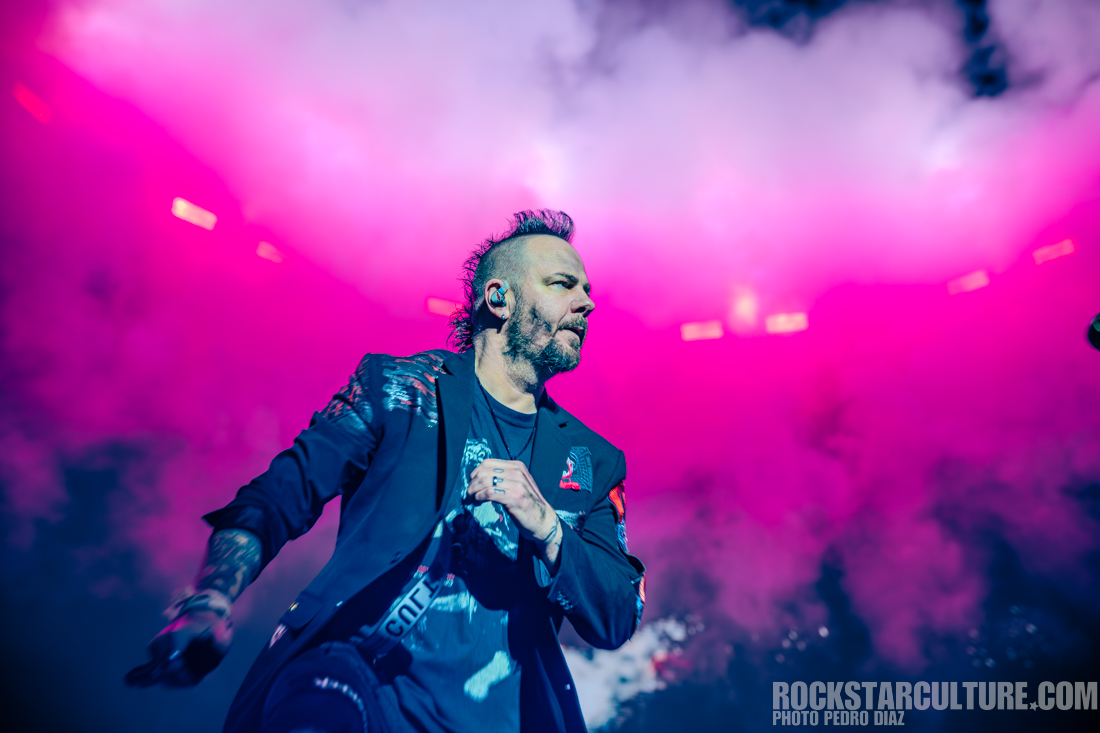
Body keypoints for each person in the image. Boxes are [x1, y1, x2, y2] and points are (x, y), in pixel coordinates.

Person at [126, 210, 646, 733]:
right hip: (351, 684)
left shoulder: (594, 460)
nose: (586, 302)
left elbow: (618, 614)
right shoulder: (397, 389)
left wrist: (549, 527)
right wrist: (211, 598)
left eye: (587, 290)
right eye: (563, 284)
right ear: (499, 298)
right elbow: (281, 494)